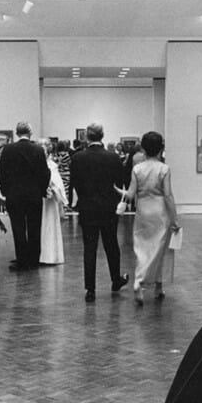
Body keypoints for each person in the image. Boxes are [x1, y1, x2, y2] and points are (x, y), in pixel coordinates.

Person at [116, 131, 179, 306]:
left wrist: (116, 189)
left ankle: (142, 281)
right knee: (161, 249)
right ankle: (155, 285)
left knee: (142, 248)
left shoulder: (137, 169)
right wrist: (174, 218)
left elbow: (130, 194)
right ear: (161, 148)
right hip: (159, 211)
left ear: (143, 149)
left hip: (143, 210)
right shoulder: (164, 169)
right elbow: (168, 195)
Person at [69, 122, 130, 302]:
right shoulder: (113, 158)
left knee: (90, 247)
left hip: (87, 207)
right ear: (102, 136)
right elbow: (119, 184)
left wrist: (82, 200)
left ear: (87, 136)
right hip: (108, 208)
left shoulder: (78, 158)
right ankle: (115, 279)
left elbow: (75, 183)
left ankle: (90, 289)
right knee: (111, 244)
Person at [0, 122, 50, 271]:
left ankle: (22, 260)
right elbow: (44, 173)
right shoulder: (38, 149)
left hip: (14, 195)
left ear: (16, 133)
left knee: (18, 227)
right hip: (34, 195)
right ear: (30, 132)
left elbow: (3, 173)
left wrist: (6, 191)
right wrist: (42, 190)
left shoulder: (8, 150)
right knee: (34, 227)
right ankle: (34, 260)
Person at [38, 139, 68, 264]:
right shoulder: (42, 165)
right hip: (40, 200)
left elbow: (58, 184)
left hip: (49, 202)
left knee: (49, 226)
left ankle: (49, 256)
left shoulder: (51, 165)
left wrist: (51, 189)